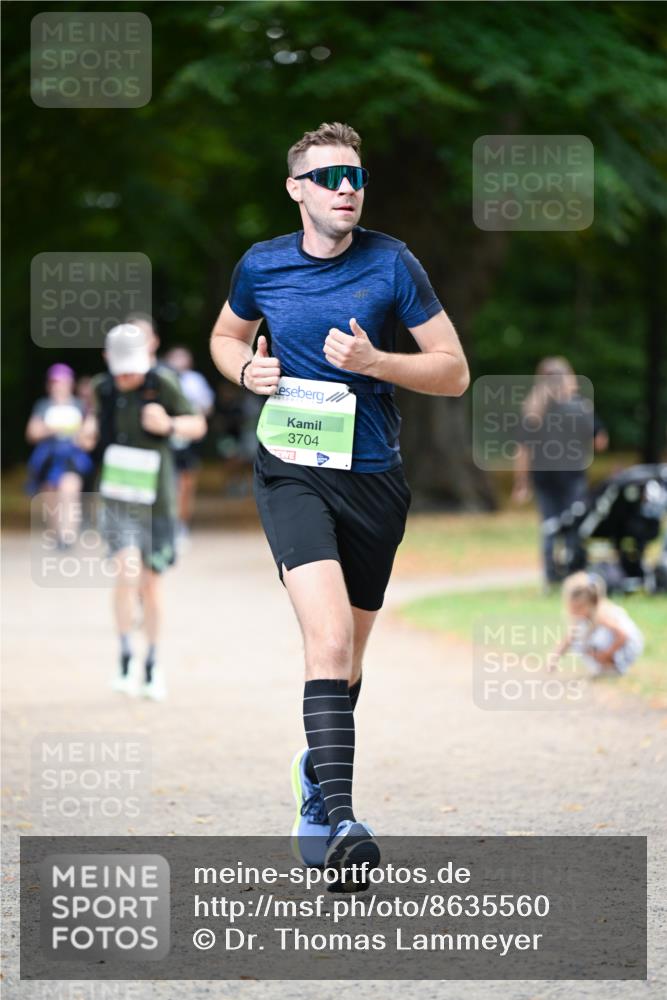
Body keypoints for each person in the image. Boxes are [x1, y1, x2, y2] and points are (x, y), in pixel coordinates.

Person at [210, 122, 469, 884]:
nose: (346, 189)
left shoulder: (392, 264)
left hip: (374, 478)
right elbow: (228, 336)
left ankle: (314, 782)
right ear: (296, 189)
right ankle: (343, 817)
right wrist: (244, 373)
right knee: (323, 643)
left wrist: (375, 360)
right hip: (291, 468)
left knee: (348, 658)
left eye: (354, 176)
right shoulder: (261, 265)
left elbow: (452, 371)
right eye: (327, 178)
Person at [83, 324, 206, 699]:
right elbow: (93, 424)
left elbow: (197, 423)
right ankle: (124, 655)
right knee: (126, 572)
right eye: (122, 370)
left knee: (151, 584)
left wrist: (169, 424)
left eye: (134, 369)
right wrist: (87, 431)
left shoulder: (163, 383)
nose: (128, 377)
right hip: (118, 498)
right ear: (108, 360)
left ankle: (152, 664)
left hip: (158, 500)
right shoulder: (102, 388)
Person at [512, 357, 608, 589]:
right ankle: (575, 576)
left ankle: (550, 578)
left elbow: (522, 451)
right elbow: (600, 442)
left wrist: (521, 483)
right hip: (573, 476)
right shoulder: (579, 407)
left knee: (549, 525)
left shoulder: (532, 410)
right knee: (575, 524)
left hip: (543, 477)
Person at [26, 363, 93, 548]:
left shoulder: (80, 405)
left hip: (72, 457)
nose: (59, 386)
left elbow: (89, 435)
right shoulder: (43, 405)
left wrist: (81, 437)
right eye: (56, 382)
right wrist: (53, 429)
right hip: (49, 456)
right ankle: (58, 534)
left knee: (69, 490)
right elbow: (32, 433)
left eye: (63, 382)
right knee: (50, 496)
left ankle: (68, 536)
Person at [164, 346, 216, 543]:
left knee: (186, 483)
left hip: (189, 439)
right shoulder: (162, 379)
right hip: (167, 437)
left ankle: (181, 525)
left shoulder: (196, 381)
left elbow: (208, 408)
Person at [548, 571, 643, 677]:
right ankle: (607, 665)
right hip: (617, 641)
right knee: (579, 638)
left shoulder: (601, 615)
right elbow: (569, 638)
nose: (574, 612)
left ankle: (612, 666)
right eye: (572, 608)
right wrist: (555, 656)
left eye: (578, 608)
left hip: (628, 645)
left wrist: (606, 654)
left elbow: (623, 635)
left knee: (595, 637)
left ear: (590, 604)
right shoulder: (582, 617)